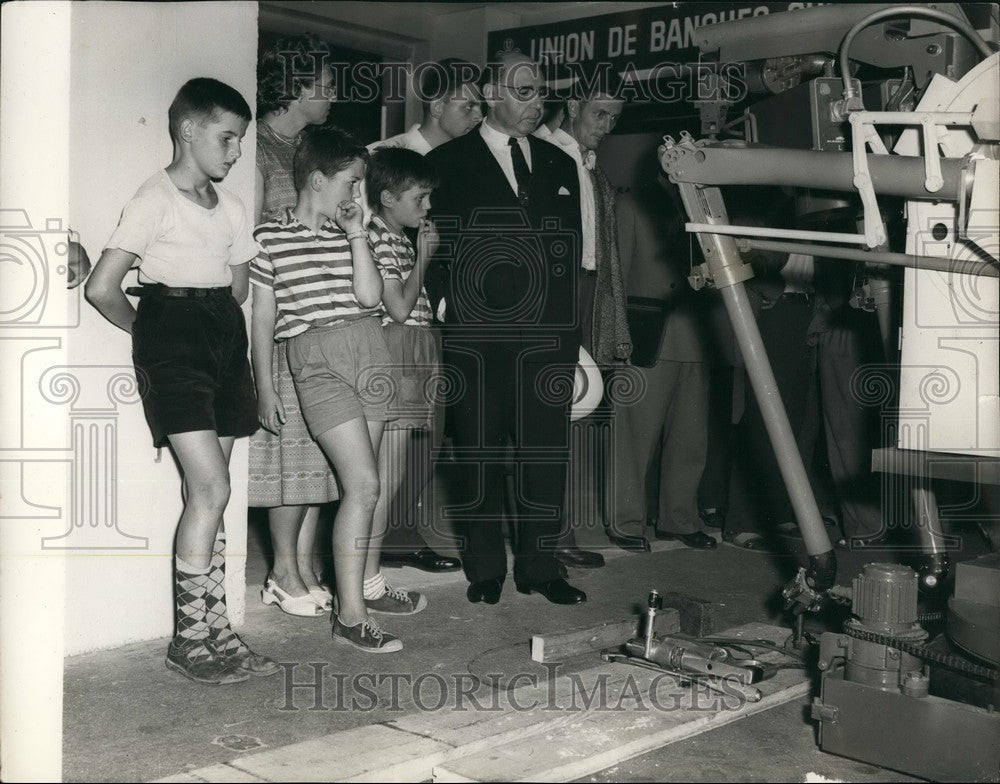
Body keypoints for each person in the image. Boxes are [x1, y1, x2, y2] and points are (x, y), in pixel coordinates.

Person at [85, 77, 277, 684]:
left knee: (209, 497)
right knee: (213, 490)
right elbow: (101, 288)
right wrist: (155, 334)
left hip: (223, 333)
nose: (235, 151)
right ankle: (190, 641)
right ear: (188, 130)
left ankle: (216, 631)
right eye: (226, 137)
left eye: (241, 141)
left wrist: (224, 293)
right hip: (174, 336)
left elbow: (241, 286)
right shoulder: (153, 199)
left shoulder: (235, 206)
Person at [425, 52, 587, 606]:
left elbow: (573, 256)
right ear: (491, 93)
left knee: (546, 454)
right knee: (477, 453)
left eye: (540, 92)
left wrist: (571, 335)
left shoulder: (561, 165)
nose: (536, 102)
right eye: (523, 91)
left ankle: (541, 569)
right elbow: (429, 248)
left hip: (548, 340)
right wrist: (447, 308)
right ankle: (485, 568)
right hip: (476, 337)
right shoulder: (445, 163)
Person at [253, 127, 422, 653]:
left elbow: (371, 297)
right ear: (318, 179)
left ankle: (352, 603)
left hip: (368, 349)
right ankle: (351, 614)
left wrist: (355, 234)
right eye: (351, 183)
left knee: (360, 488)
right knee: (365, 485)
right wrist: (264, 388)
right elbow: (262, 322)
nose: (357, 196)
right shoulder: (269, 237)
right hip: (316, 357)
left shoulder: (354, 232)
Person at [364, 58, 481, 573]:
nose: (478, 113)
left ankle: (401, 533)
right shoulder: (384, 158)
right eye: (467, 103)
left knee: (425, 436)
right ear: (436, 104)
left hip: (434, 317)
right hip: (395, 321)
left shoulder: (471, 159)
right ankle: (383, 543)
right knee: (387, 448)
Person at [251, 35, 339, 615]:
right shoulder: (255, 149)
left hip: (318, 315)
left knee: (316, 447)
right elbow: (250, 237)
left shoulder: (308, 147)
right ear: (298, 87)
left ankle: (304, 565)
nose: (333, 94)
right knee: (287, 449)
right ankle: (282, 572)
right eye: (326, 84)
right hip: (277, 314)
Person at [612, 172, 730, 552]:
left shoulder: (710, 205)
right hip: (649, 334)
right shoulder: (632, 205)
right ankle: (627, 522)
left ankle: (677, 519)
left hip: (698, 333)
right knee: (634, 439)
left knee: (691, 437)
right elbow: (617, 277)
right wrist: (618, 334)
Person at [543, 77, 632, 563]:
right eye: (600, 114)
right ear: (573, 106)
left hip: (586, 293)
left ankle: (560, 534)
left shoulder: (593, 170)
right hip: (553, 295)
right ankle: (548, 536)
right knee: (545, 416)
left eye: (615, 118)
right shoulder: (541, 152)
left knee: (574, 413)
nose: (608, 125)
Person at [365, 147, 444, 604]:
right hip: (393, 352)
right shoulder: (383, 238)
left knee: (385, 479)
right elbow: (397, 308)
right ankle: (367, 580)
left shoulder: (391, 235)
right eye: (420, 198)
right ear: (389, 197)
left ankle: (368, 576)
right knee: (380, 479)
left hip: (408, 351)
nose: (427, 207)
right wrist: (424, 257)